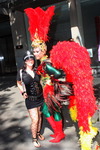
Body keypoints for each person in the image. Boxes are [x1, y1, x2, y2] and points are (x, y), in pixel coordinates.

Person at [24, 6, 66, 143]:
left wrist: (52, 79)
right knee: (46, 111)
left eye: (36, 51)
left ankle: (60, 133)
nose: (34, 54)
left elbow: (59, 73)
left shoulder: (46, 63)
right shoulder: (42, 63)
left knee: (54, 111)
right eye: (34, 51)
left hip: (51, 91)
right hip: (45, 91)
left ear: (43, 50)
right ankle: (57, 132)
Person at [17, 51, 45, 148]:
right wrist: (22, 92)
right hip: (30, 99)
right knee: (35, 119)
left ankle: (38, 133)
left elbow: (42, 81)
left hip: (40, 97)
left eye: (32, 58)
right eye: (28, 59)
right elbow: (18, 83)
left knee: (40, 117)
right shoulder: (21, 72)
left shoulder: (37, 70)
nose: (30, 60)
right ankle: (34, 139)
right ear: (25, 61)